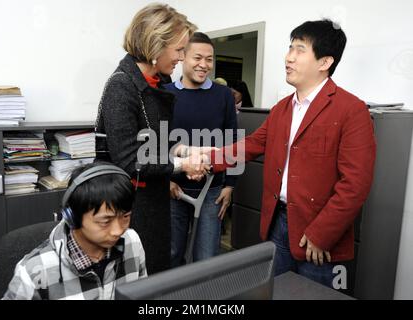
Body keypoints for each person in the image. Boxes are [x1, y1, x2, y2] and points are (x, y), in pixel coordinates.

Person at [208, 19, 376, 288]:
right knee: (276, 291)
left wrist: (321, 234)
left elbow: (355, 185)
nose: (288, 57)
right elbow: (251, 145)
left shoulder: (351, 111)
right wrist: (207, 159)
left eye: (299, 50)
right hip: (278, 224)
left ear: (324, 62)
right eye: (290, 48)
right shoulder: (282, 109)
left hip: (319, 238)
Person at [94, 4, 205, 275]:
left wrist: (187, 150)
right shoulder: (122, 86)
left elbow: (158, 143)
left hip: (153, 200)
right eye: (179, 50)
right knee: (135, 279)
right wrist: (182, 166)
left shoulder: (155, 83)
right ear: (156, 44)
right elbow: (131, 160)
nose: (182, 57)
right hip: (129, 208)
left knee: (155, 272)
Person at [3, 162, 147, 300]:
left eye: (126, 217)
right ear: (73, 218)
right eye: (105, 221)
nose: (118, 230)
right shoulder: (33, 271)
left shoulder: (132, 241)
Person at [164, 32, 237, 266]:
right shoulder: (165, 94)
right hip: (174, 189)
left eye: (209, 59)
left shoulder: (224, 95)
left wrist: (230, 184)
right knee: (173, 253)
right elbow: (158, 142)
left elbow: (232, 141)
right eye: (198, 57)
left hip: (212, 190)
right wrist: (166, 179)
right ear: (183, 56)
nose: (204, 65)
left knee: (206, 257)